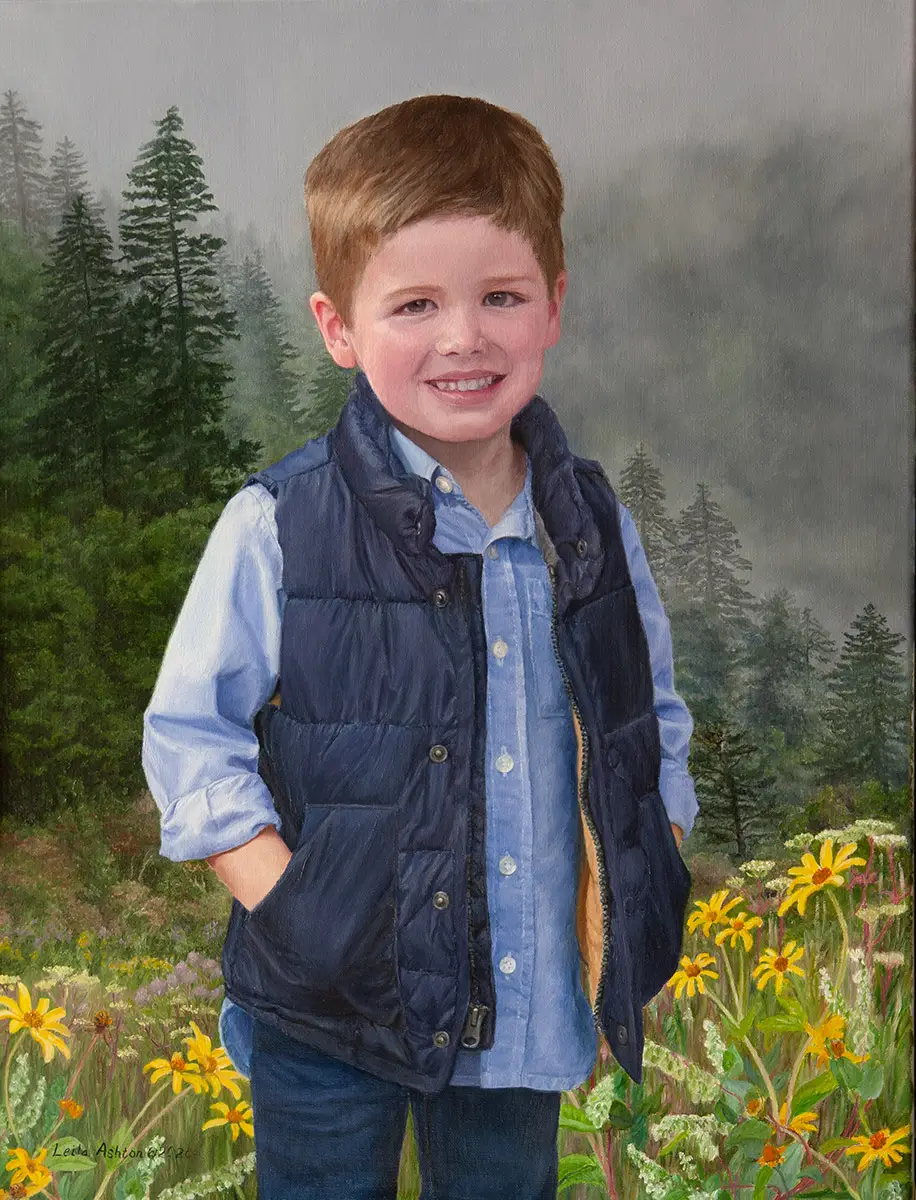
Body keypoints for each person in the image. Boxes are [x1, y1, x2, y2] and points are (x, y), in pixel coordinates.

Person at [142, 93, 698, 1200]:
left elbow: (651, 722)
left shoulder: (588, 523)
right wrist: (305, 913)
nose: (463, 337)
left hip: (526, 998)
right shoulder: (279, 522)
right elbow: (189, 742)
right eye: (413, 304)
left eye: (500, 295)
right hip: (328, 1010)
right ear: (337, 326)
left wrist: (633, 884)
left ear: (553, 307)